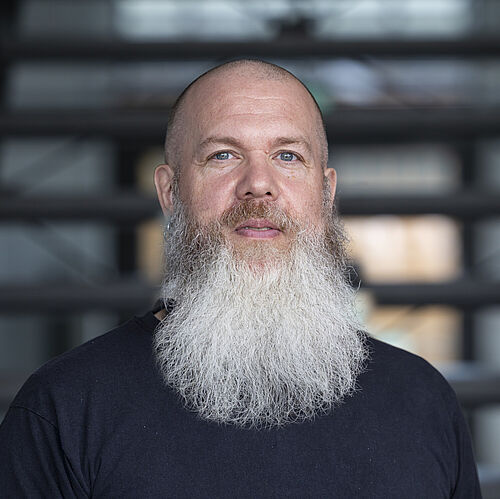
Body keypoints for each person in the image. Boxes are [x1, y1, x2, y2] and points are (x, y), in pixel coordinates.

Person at [0, 60, 481, 498]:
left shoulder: (422, 402)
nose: (259, 184)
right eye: (223, 156)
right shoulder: (65, 408)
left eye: (288, 156)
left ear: (326, 192)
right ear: (170, 192)